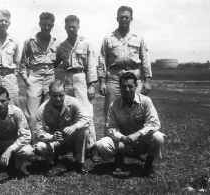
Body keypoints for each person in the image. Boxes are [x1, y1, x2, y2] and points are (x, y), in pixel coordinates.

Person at [96, 72, 165, 178]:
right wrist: (122, 137)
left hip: (141, 142)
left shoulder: (146, 101)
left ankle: (148, 164)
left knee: (159, 137)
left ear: (136, 86)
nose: (127, 90)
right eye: (124, 86)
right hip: (123, 142)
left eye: (130, 86)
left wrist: (137, 134)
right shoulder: (113, 105)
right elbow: (110, 128)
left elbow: (154, 123)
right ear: (120, 87)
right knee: (102, 145)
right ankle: (119, 156)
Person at [98, 6, 152, 135]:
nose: (124, 19)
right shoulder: (108, 38)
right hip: (113, 77)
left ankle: (137, 144)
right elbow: (102, 60)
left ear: (131, 19)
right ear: (117, 18)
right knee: (111, 109)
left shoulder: (138, 37)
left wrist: (147, 80)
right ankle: (111, 144)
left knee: (136, 109)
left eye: (126, 17)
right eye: (121, 17)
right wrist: (102, 82)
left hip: (133, 76)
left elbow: (145, 59)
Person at [55, 15, 99, 161]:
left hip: (81, 79)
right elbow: (54, 63)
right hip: (67, 79)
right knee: (70, 113)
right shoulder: (62, 46)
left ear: (78, 27)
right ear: (65, 27)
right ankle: (75, 145)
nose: (71, 29)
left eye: (74, 26)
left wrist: (91, 85)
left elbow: (92, 65)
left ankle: (92, 147)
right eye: (69, 26)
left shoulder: (85, 43)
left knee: (87, 114)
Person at [34, 80, 92, 174]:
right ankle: (51, 160)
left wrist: (74, 126)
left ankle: (79, 162)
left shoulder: (73, 102)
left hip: (70, 139)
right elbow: (38, 132)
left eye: (61, 95)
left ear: (65, 93)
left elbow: (87, 119)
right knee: (40, 146)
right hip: (54, 141)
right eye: (54, 95)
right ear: (49, 94)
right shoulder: (42, 109)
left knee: (84, 131)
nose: (58, 98)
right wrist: (51, 137)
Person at [19, 12, 59, 143]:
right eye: (44, 24)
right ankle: (31, 142)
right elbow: (23, 64)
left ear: (52, 25)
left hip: (50, 78)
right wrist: (27, 80)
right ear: (39, 24)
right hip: (34, 77)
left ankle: (48, 141)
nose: (46, 27)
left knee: (49, 111)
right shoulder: (30, 41)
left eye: (49, 25)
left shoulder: (56, 43)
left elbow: (57, 61)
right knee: (32, 114)